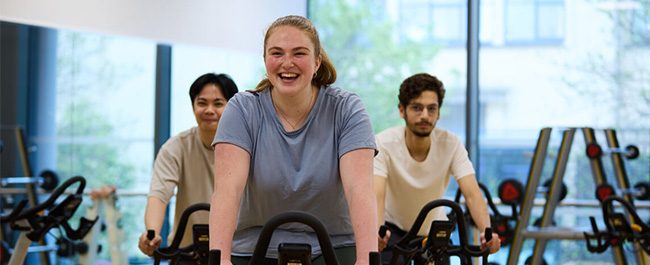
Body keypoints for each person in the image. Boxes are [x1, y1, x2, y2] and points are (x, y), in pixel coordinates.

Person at [209, 15, 378, 265]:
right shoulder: (242, 109)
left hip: (334, 244)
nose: (287, 63)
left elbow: (359, 189)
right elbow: (227, 191)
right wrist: (220, 260)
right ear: (265, 60)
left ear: (317, 62)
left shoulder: (347, 109)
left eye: (299, 53)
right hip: (254, 246)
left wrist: (366, 260)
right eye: (276, 53)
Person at [374, 73, 500, 264]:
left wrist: (486, 233)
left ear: (438, 113)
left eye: (431, 108)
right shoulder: (383, 143)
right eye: (417, 107)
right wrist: (375, 231)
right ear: (402, 110)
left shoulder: (451, 143)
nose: (425, 115)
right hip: (394, 232)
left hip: (434, 231)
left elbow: (473, 194)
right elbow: (377, 195)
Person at [138, 73, 239, 256]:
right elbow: (159, 195)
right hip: (186, 251)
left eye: (218, 104)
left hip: (236, 252)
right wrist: (151, 233)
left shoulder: (245, 146)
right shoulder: (175, 147)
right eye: (202, 103)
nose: (209, 110)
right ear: (193, 106)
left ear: (232, 108)